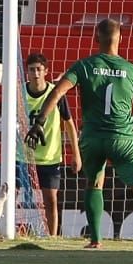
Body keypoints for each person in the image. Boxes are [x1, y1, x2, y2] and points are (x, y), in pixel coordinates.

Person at [25, 19, 133, 251]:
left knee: (94, 185)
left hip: (92, 140)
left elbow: (58, 91)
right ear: (120, 39)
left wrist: (40, 121)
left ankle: (96, 240)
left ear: (95, 38)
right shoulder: (132, 70)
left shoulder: (84, 66)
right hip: (123, 139)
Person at [24, 53, 81, 237]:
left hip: (50, 157)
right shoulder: (19, 93)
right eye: (32, 69)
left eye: (39, 69)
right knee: (19, 200)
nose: (36, 73)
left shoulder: (55, 94)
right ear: (27, 72)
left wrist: (76, 154)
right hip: (24, 157)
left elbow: (69, 124)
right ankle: (15, 232)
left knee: (51, 200)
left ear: (46, 71)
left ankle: (52, 237)